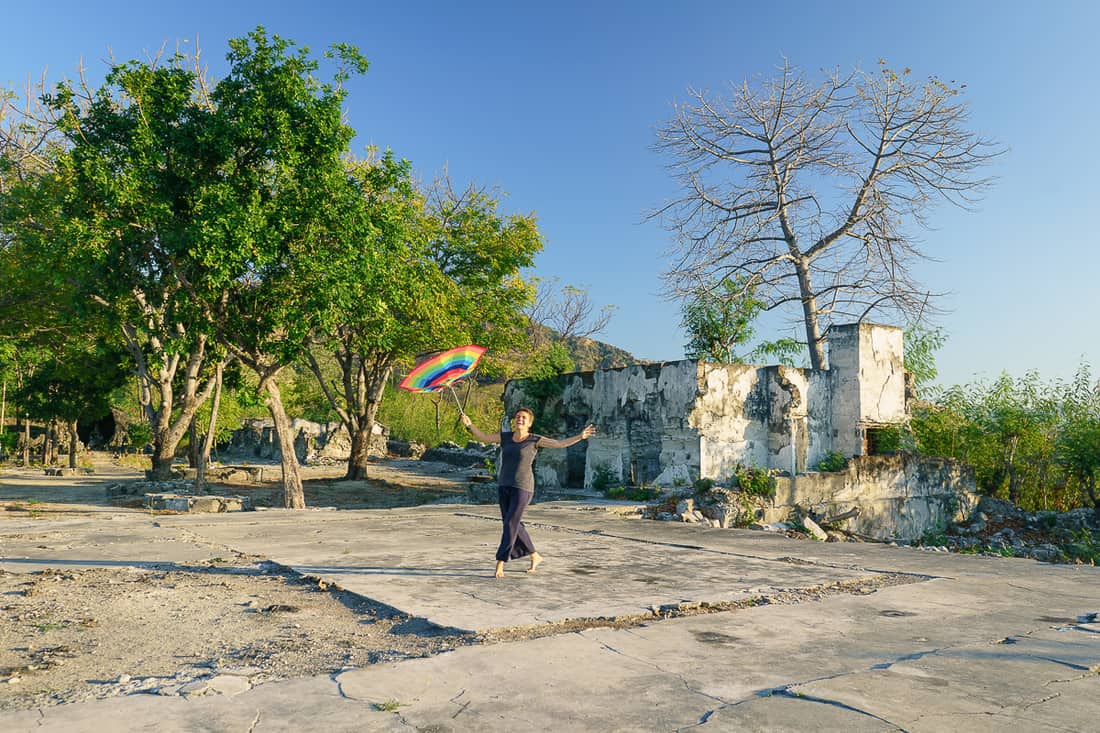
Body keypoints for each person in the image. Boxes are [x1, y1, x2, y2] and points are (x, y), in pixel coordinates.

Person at [462, 407, 596, 578]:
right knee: (514, 523)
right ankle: (534, 555)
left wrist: (580, 436)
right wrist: (469, 425)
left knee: (510, 523)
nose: (520, 419)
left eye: (524, 418)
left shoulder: (534, 440)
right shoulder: (506, 437)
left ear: (529, 423)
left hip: (523, 487)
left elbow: (558, 444)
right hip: (504, 485)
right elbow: (483, 438)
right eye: (518, 417)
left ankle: (500, 562)